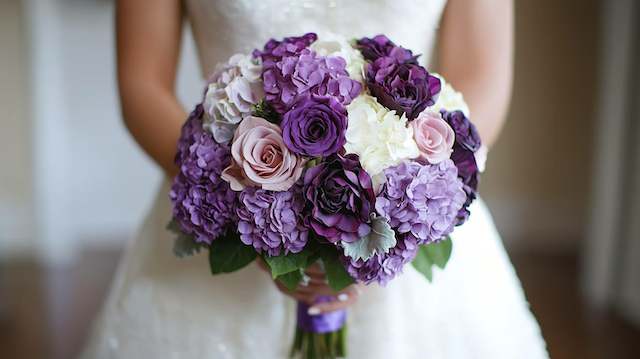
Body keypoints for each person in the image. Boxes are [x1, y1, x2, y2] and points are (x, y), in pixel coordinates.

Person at [82, 0, 549, 357]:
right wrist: (251, 217)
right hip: (226, 200)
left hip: (409, 223)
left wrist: (397, 224)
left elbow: (483, 78)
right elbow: (141, 84)